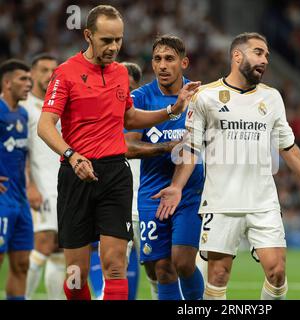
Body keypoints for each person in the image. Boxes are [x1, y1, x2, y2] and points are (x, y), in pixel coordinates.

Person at [154, 32, 300, 300]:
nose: (264, 60)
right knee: (217, 275)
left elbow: (287, 146)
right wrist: (177, 186)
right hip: (221, 201)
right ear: (237, 56)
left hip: (263, 201)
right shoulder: (205, 96)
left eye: (267, 56)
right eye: (258, 53)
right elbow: (191, 148)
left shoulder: (272, 97)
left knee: (277, 272)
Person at [37, 5, 200, 300]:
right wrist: (72, 156)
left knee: (115, 266)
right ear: (88, 35)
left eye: (118, 40)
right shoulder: (65, 73)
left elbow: (129, 118)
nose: (113, 47)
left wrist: (170, 110)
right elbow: (45, 126)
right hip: (76, 175)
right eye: (106, 40)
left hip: (114, 175)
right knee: (76, 277)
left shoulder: (119, 76)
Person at [125, 35, 205, 300]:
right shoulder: (140, 98)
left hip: (190, 191)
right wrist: (166, 147)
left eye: (169, 59)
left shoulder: (200, 97)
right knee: (162, 268)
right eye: (157, 59)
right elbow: (127, 146)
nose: (162, 65)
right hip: (152, 194)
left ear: (183, 62)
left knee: (183, 262)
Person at [88, 61, 143, 300]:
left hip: (146, 198)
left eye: (131, 88)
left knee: (158, 267)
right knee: (113, 266)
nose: (125, 92)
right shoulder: (96, 115)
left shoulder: (144, 115)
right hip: (113, 199)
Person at [22, 53, 66, 300]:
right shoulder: (24, 106)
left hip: (61, 187)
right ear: (32, 73)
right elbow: (20, 149)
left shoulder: (59, 106)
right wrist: (29, 185)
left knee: (60, 248)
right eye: (44, 69)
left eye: (53, 70)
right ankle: (21, 297)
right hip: (39, 187)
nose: (50, 74)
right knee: (43, 243)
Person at [0, 59, 33, 300]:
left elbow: (24, 156)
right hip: (1, 199)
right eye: (23, 79)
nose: (29, 83)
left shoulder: (22, 113)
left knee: (22, 263)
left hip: (20, 199)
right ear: (7, 82)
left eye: (29, 79)